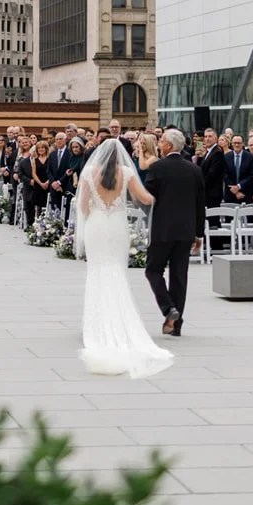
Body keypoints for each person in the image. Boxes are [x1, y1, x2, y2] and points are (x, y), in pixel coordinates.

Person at [75, 137, 173, 379]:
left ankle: (97, 324)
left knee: (97, 272)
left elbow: (83, 204)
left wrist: (93, 214)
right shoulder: (127, 172)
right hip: (118, 226)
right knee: (116, 271)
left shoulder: (89, 172)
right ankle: (121, 318)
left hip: (97, 226)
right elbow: (144, 198)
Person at [141, 128, 205, 338]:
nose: (158, 144)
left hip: (163, 229)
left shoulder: (158, 168)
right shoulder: (194, 170)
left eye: (161, 141)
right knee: (179, 276)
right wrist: (199, 234)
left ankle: (168, 309)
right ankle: (176, 325)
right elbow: (200, 204)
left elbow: (148, 197)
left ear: (168, 145)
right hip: (186, 231)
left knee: (152, 270)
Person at [224, 134, 253, 205]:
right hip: (230, 194)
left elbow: (251, 176)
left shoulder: (250, 157)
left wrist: (239, 186)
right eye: (235, 143)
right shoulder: (226, 157)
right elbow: (225, 175)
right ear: (231, 143)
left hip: (245, 193)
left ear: (243, 144)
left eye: (239, 143)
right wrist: (235, 191)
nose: (237, 145)